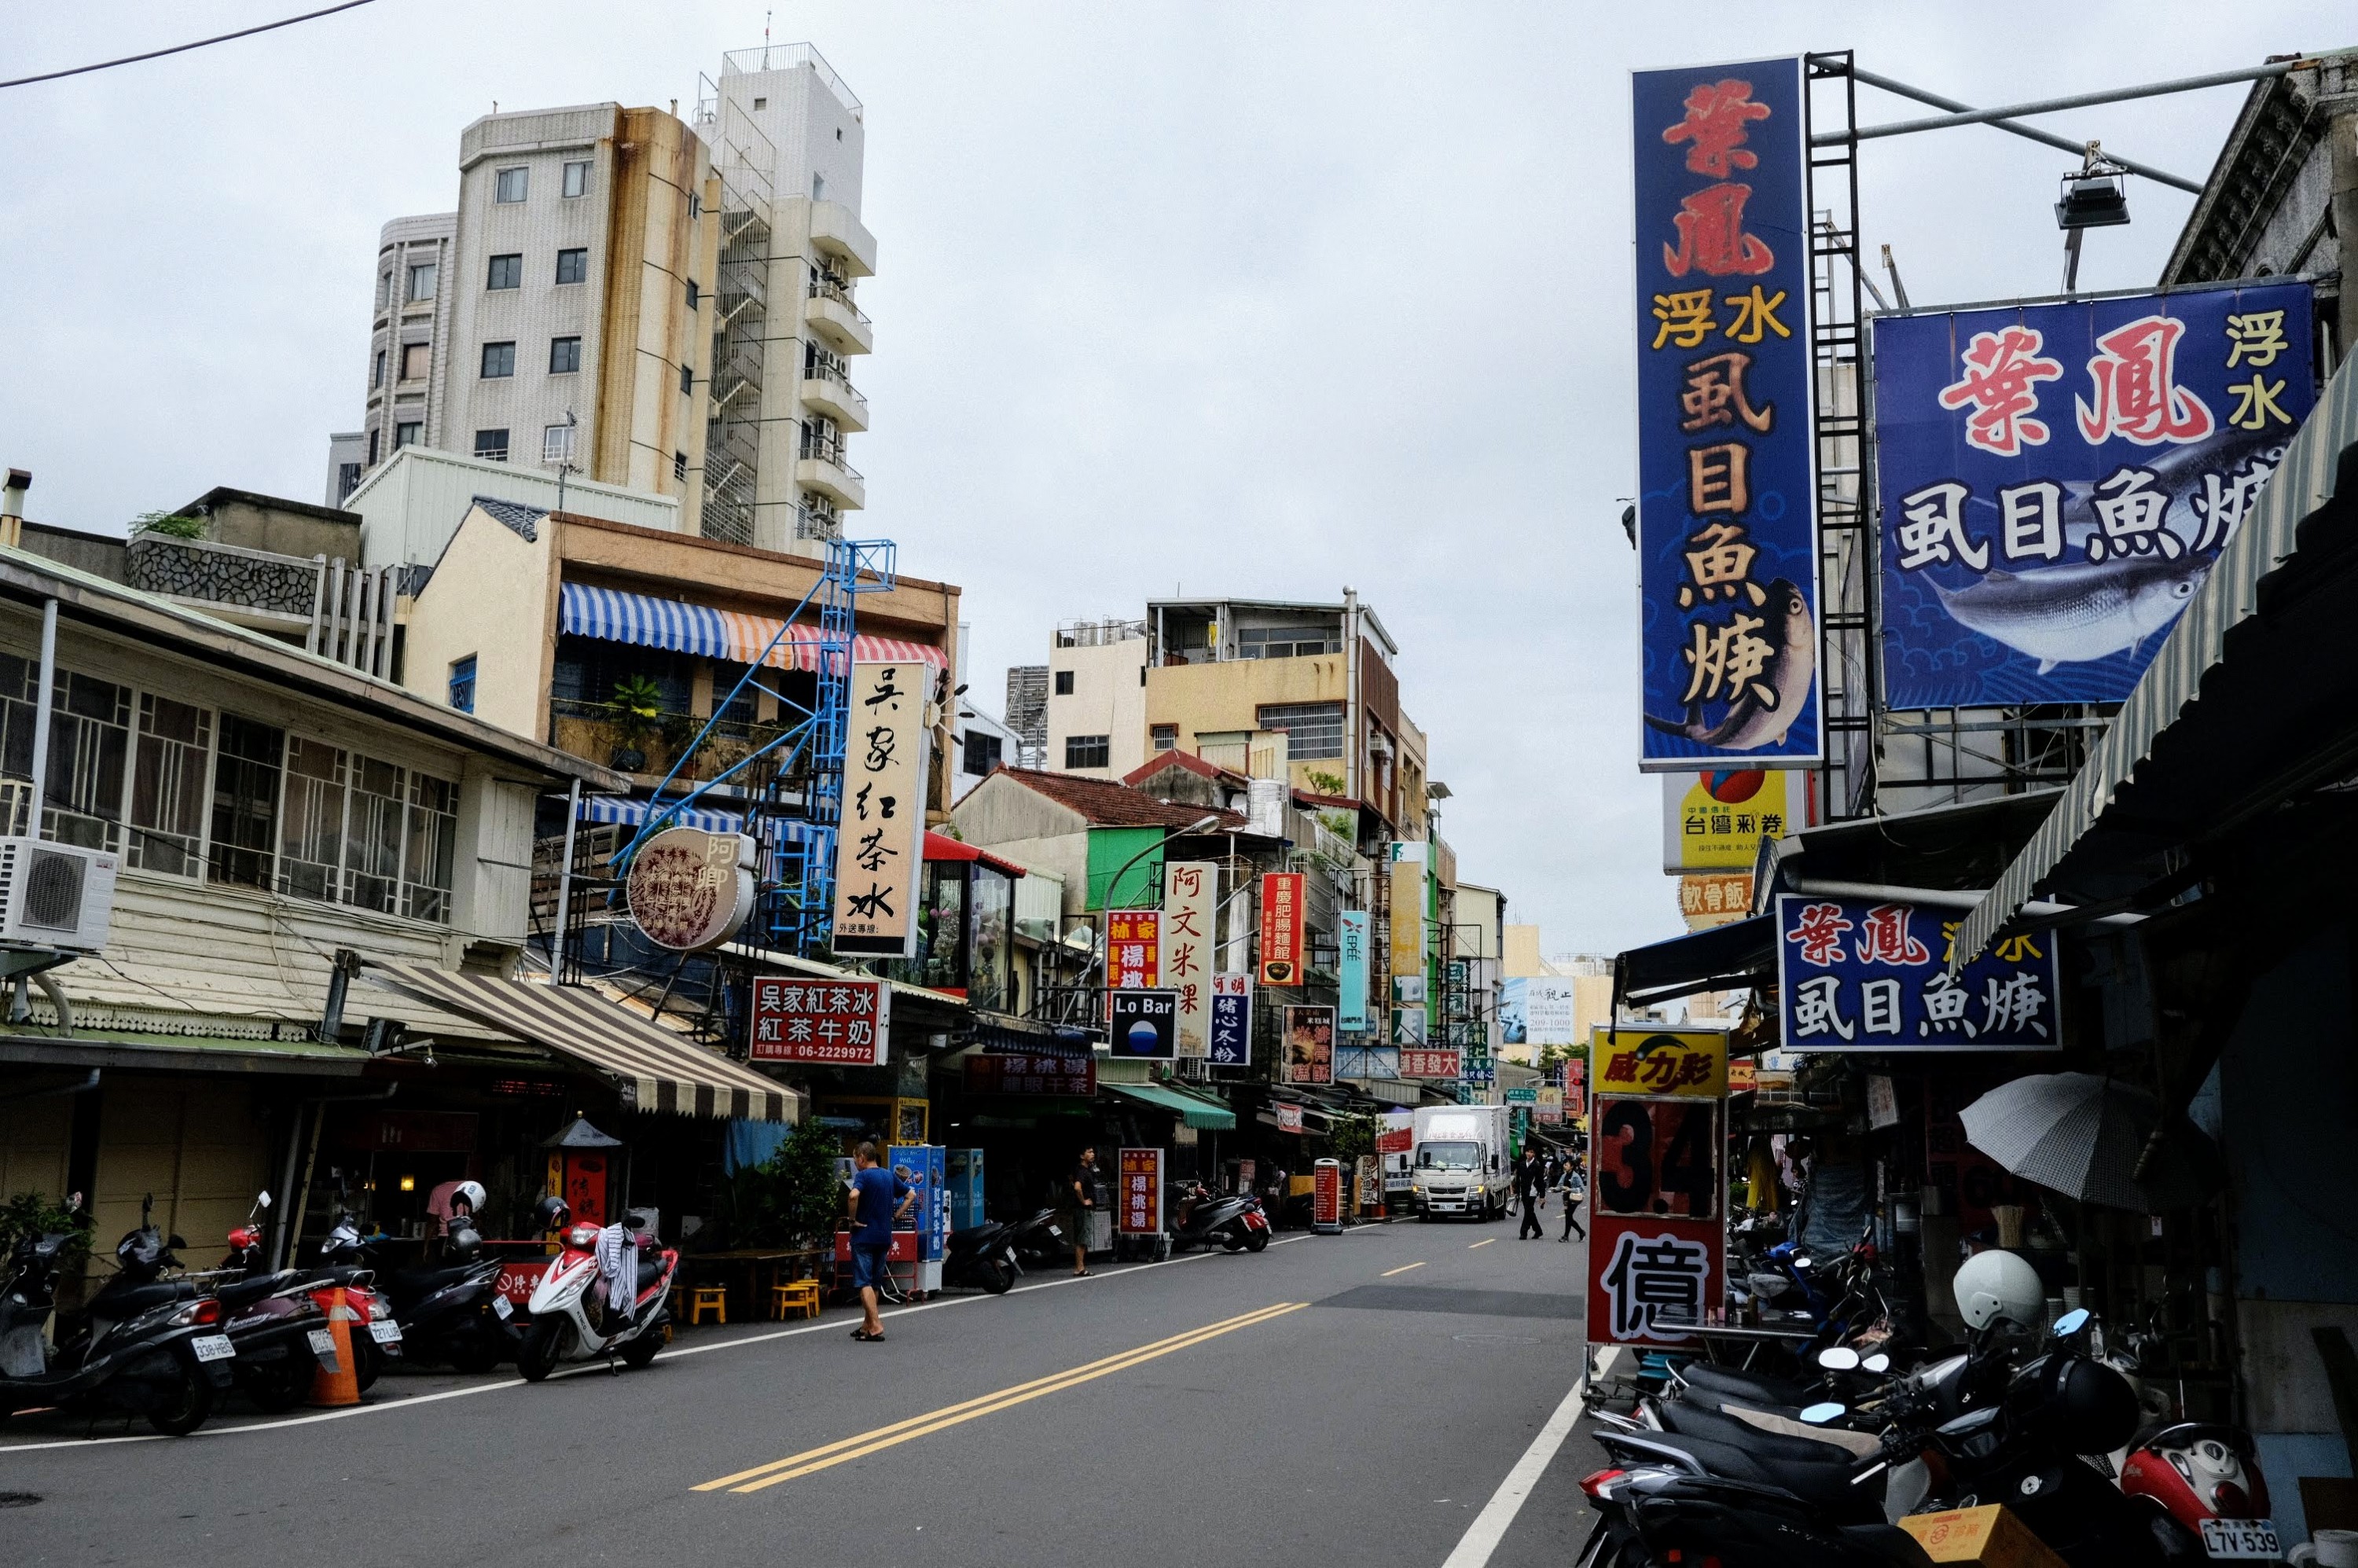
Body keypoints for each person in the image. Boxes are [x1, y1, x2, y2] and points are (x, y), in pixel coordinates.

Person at [846, 1141, 913, 1342]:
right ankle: (866, 1326)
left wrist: (852, 1220)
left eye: (855, 1159)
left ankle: (875, 1324)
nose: (855, 1163)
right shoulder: (889, 1175)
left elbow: (853, 1196)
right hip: (884, 1236)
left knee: (863, 1282)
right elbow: (911, 1195)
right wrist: (897, 1216)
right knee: (875, 1283)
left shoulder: (863, 1176)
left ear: (862, 1158)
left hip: (864, 1236)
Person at [1066, 1146, 1100, 1277]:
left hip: (1082, 1209)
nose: (1092, 1154)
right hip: (1083, 1210)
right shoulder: (1082, 1171)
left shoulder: (1084, 1170)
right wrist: (1083, 1201)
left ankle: (1079, 1267)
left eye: (1093, 1152)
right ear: (1082, 1156)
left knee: (1082, 1238)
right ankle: (1080, 1268)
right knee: (1082, 1239)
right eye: (1089, 1152)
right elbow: (1077, 1187)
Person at [1515, 1152, 1544, 1239]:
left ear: (1534, 1154)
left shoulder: (1537, 1165)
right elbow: (1518, 1178)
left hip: (1533, 1191)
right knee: (1530, 1211)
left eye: (1531, 1152)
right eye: (1528, 1151)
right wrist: (1517, 1191)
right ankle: (1538, 1230)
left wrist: (1542, 1196)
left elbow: (1541, 1181)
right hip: (1524, 1191)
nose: (1529, 1154)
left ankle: (1523, 1232)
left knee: (1528, 1211)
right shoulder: (1522, 1164)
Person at [1559, 1166, 1586, 1243]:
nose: (1565, 1166)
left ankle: (1566, 1236)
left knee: (1568, 1217)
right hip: (1566, 1199)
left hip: (1574, 1198)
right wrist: (1555, 1189)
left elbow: (1582, 1188)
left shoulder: (1576, 1176)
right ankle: (1581, 1232)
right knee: (1568, 1217)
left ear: (1571, 1166)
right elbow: (1560, 1186)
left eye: (1567, 1165)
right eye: (1564, 1165)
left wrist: (1570, 1189)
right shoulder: (1564, 1175)